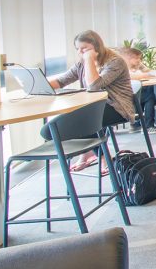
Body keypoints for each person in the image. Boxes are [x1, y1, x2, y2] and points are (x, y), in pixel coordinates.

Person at [49, 30, 136, 172]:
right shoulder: (81, 65)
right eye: (78, 49)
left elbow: (94, 86)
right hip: (94, 108)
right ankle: (89, 153)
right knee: (57, 128)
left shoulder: (115, 62)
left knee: (79, 122)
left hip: (117, 108)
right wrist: (40, 85)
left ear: (97, 47)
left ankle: (101, 157)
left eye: (85, 49)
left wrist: (89, 59)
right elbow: (61, 81)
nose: (81, 52)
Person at [116, 47, 156, 134]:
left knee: (147, 91)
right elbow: (131, 76)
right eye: (136, 58)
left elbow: (147, 70)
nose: (139, 60)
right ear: (128, 58)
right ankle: (148, 126)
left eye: (139, 58)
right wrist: (148, 74)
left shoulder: (137, 64)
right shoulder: (121, 66)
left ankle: (136, 125)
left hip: (133, 92)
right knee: (149, 96)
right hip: (124, 95)